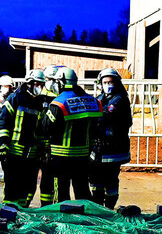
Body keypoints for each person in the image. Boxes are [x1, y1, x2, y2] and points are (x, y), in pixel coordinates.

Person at [42, 67, 102, 203]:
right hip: (83, 156)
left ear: (62, 82)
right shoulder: (92, 101)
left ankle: (63, 221)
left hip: (61, 156)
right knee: (82, 191)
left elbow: (46, 128)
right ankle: (86, 220)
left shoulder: (58, 103)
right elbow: (96, 127)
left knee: (62, 194)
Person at [0, 69, 48, 208]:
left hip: (32, 155)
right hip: (14, 154)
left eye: (41, 85)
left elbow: (41, 128)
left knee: (29, 188)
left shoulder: (40, 102)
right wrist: (3, 144)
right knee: (12, 190)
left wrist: (43, 149)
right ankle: (8, 217)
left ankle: (22, 213)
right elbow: (3, 122)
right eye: (37, 84)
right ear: (29, 83)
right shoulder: (15, 98)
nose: (39, 87)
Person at [89, 68, 132, 209]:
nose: (108, 85)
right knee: (96, 181)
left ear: (117, 83)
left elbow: (105, 116)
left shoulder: (120, 100)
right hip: (100, 149)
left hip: (113, 150)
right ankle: (98, 206)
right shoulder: (101, 98)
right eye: (105, 82)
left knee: (110, 181)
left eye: (111, 82)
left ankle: (108, 208)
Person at [37, 65, 63, 207]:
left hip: (56, 144)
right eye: (48, 79)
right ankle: (45, 206)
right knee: (42, 178)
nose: (51, 82)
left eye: (54, 80)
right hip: (40, 142)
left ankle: (53, 206)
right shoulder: (39, 96)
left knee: (54, 178)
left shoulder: (62, 97)